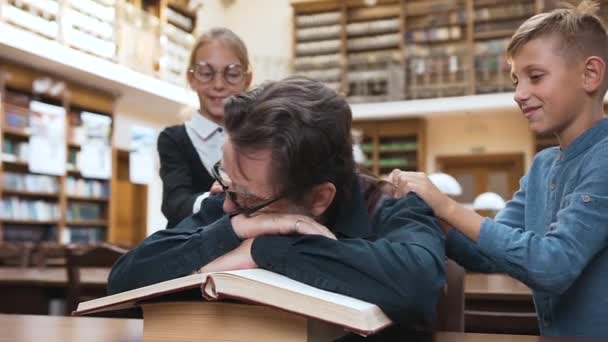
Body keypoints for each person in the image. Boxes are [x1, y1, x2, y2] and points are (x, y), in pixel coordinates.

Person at [108, 77, 446, 329]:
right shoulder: (237, 201)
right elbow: (124, 280)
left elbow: (419, 286)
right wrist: (236, 229)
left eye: (249, 199)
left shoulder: (393, 206)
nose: (226, 206)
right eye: (225, 179)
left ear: (318, 198)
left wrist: (264, 250)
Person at [389, 1, 608, 338]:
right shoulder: (542, 166)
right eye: (515, 80)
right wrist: (430, 212)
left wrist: (447, 205)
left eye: (535, 77)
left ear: (590, 74)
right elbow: (484, 253)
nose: (519, 94)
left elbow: (553, 265)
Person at [158, 27, 252, 228]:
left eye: (232, 73)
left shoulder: (258, 137)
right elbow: (174, 205)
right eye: (206, 73)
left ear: (247, 79)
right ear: (191, 78)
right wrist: (213, 199)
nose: (218, 84)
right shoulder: (173, 138)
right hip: (190, 246)